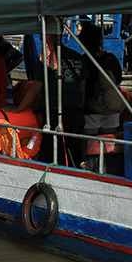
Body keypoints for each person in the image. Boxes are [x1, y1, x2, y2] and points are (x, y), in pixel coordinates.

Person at [34, 29, 89, 167]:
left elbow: (35, 89)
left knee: (53, 147)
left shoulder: (46, 62)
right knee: (74, 144)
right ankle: (76, 167)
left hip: (54, 110)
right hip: (75, 108)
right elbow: (82, 89)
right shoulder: (77, 57)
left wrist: (19, 108)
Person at [79, 23, 124, 135]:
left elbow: (82, 87)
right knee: (107, 144)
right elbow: (118, 79)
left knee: (90, 145)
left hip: (91, 108)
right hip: (112, 106)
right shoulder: (111, 58)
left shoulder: (84, 60)